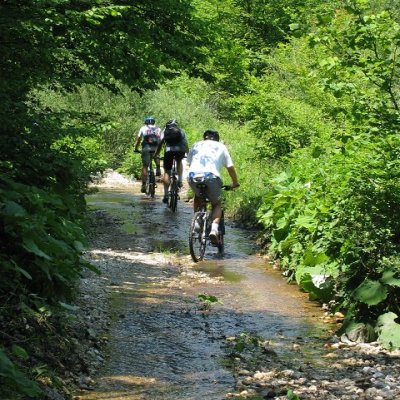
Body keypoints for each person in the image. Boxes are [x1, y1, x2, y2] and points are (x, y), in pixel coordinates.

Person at [187, 129, 239, 244]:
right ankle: (214, 229)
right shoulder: (221, 146)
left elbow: (189, 162)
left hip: (192, 176)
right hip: (211, 176)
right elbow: (230, 167)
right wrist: (235, 183)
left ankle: (197, 222)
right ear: (217, 138)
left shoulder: (196, 144)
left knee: (198, 196)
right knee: (216, 203)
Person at [154, 119, 189, 204]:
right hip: (180, 150)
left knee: (167, 171)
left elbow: (160, 143)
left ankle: (166, 194)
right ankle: (180, 180)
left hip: (169, 151)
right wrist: (188, 154)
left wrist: (156, 154)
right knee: (179, 161)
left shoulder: (165, 131)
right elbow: (185, 143)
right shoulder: (181, 131)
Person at [134, 116, 162, 193]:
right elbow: (161, 140)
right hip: (156, 148)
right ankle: (158, 167)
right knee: (157, 154)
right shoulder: (158, 129)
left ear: (146, 122)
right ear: (153, 122)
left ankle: (143, 185)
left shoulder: (143, 128)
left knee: (145, 166)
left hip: (146, 148)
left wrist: (136, 148)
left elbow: (138, 140)